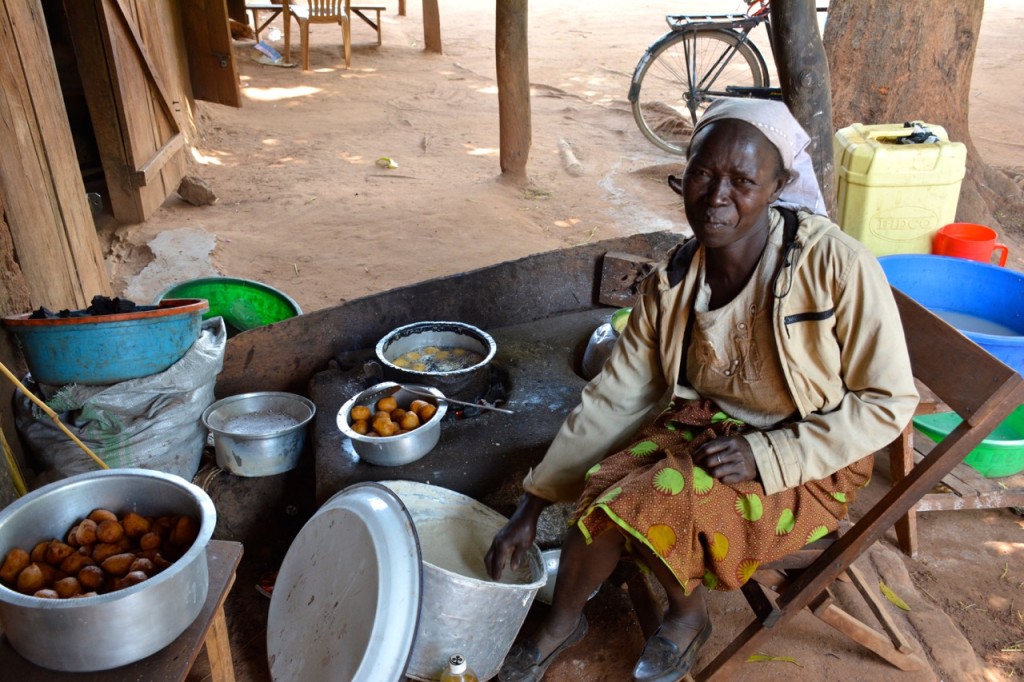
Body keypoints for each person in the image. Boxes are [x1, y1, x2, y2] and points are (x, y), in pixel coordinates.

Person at [484, 98, 919, 682]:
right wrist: (533, 504)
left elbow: (887, 402)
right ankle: (561, 623)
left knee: (654, 497)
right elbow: (617, 393)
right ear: (683, 174)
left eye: (742, 180)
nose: (716, 196)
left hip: (810, 462)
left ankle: (688, 617)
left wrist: (769, 455)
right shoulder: (675, 277)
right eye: (703, 174)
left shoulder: (833, 265)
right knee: (601, 486)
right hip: (707, 427)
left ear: (779, 185)